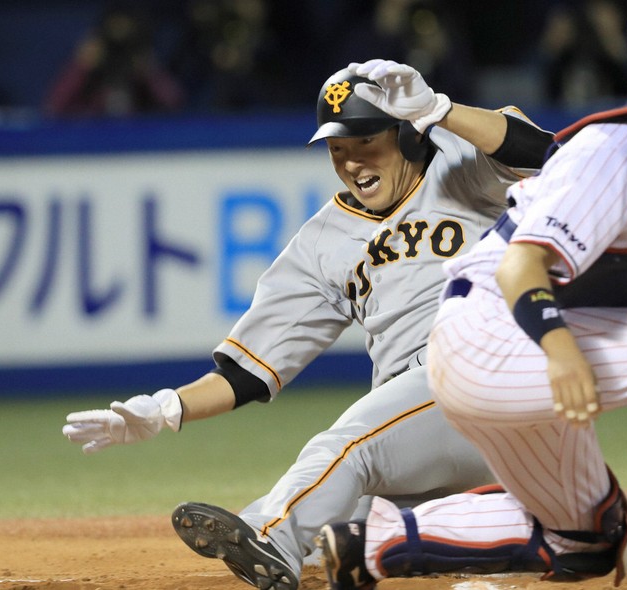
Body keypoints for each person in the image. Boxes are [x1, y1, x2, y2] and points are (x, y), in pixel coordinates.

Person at [316, 2, 627, 590]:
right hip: (495, 334)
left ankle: (370, 543)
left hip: (509, 342)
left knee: (588, 538)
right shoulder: (622, 148)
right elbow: (523, 265)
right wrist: (559, 348)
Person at [61, 58, 556, 590]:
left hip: (493, 373)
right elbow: (249, 370)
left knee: (341, 448)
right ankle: (518, 532)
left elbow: (546, 154)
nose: (351, 161)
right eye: (337, 148)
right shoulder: (321, 242)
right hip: (428, 425)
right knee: (351, 527)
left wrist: (440, 111)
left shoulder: (464, 164)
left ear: (408, 137)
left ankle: (269, 534)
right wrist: (163, 409)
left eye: (366, 141)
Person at [44, 2, 184, 117]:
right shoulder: (91, 64)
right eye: (114, 26)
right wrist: (81, 67)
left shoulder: (141, 62)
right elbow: (54, 107)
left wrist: (150, 73)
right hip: (93, 137)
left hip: (138, 137)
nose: (119, 31)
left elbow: (175, 104)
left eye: (125, 26)